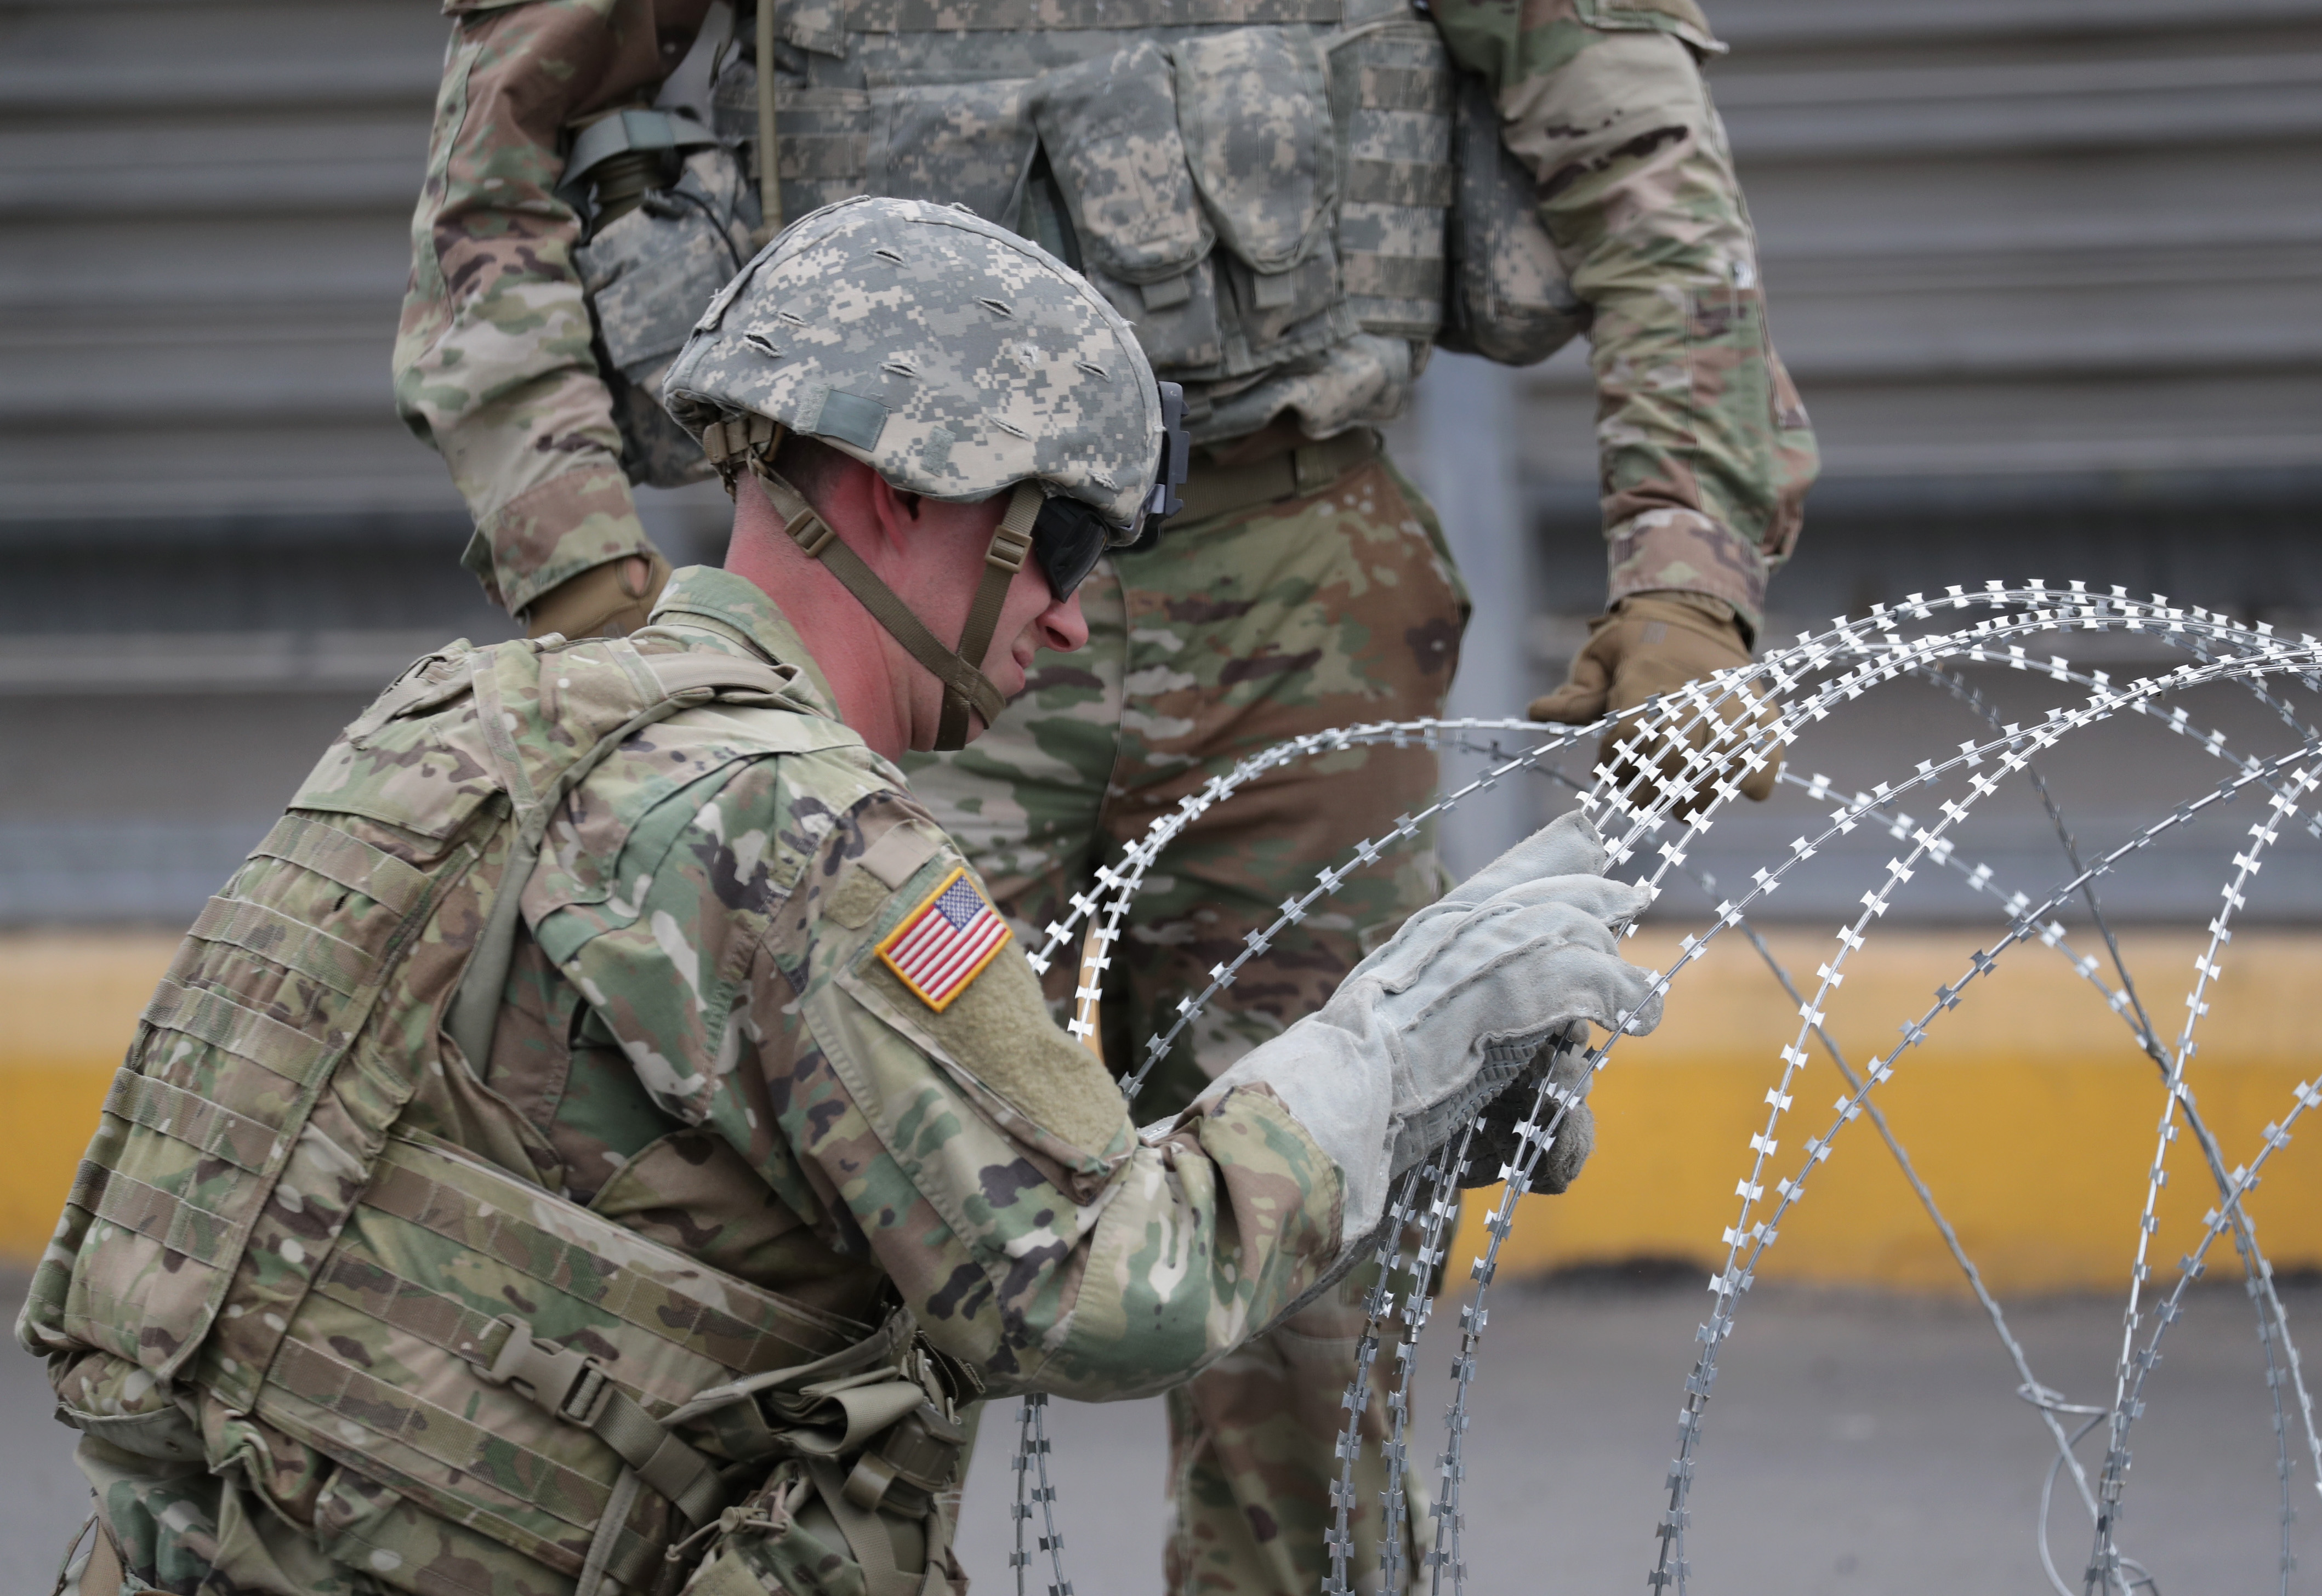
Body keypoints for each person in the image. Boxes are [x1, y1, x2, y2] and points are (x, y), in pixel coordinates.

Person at [30, 199, 1659, 1596]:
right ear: (911, 498)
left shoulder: (464, 722)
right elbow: (1102, 1287)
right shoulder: (808, 840)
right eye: (1069, 542)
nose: (1080, 622)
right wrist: (1386, 1043)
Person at [394, 3, 1806, 1586]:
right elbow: (500, 149)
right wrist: (583, 564)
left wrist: (1688, 564)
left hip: (1299, 575)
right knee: (829, 1235)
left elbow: (1629, 137)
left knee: (1328, 1246)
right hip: (897, 569)